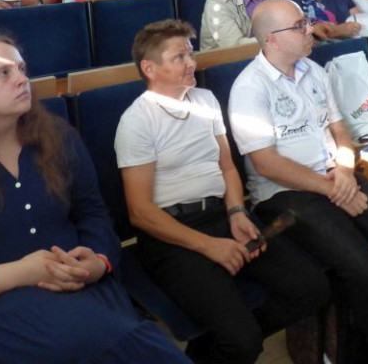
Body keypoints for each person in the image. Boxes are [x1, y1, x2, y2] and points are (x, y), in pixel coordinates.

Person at [0, 33, 188, 364]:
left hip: (79, 291)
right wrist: (19, 273)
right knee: (125, 344)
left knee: (113, 339)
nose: (21, 79)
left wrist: (98, 262)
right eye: (3, 73)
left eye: (22, 68)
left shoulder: (58, 138)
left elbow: (92, 215)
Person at [229, 0, 368, 362]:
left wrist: (343, 170)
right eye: (298, 26)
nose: (309, 29)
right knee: (363, 270)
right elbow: (266, 164)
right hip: (286, 194)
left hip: (335, 178)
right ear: (271, 40)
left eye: (305, 21)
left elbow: (340, 131)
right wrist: (334, 188)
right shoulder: (250, 87)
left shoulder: (314, 71)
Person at [116, 21, 329, 363]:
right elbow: (140, 212)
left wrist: (236, 213)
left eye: (191, 53)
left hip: (220, 215)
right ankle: (232, 341)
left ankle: (211, 350)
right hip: (172, 236)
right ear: (149, 68)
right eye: (179, 57)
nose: (191, 63)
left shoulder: (205, 99)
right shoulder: (137, 120)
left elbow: (228, 167)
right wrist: (210, 247)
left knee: (312, 288)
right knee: (243, 341)